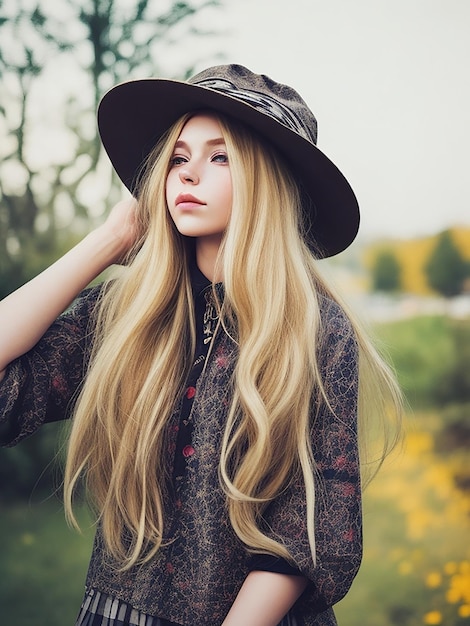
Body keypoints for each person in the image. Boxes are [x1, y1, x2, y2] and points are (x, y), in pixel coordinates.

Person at [0, 64, 402, 626]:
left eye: (219, 157)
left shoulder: (315, 331)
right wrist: (108, 241)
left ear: (266, 182)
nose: (187, 176)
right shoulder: (132, 313)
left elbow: (308, 531)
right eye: (179, 158)